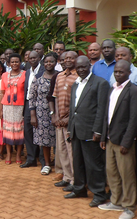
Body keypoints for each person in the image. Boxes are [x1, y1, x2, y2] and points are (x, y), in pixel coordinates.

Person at [97, 60, 137, 219]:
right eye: (115, 72)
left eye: (121, 72)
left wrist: (127, 142)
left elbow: (134, 119)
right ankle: (115, 201)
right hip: (110, 139)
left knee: (127, 174)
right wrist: (103, 136)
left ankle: (129, 206)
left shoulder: (134, 91)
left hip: (123, 142)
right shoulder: (112, 90)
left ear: (129, 72)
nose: (117, 74)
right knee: (112, 173)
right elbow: (106, 115)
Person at [64, 56, 110, 208]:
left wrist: (98, 131)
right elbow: (73, 109)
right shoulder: (76, 84)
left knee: (94, 164)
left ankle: (99, 193)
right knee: (78, 163)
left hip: (91, 131)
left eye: (84, 67)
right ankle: (79, 189)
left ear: (90, 66)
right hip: (77, 130)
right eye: (79, 68)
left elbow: (102, 109)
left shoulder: (100, 83)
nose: (81, 70)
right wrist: (70, 129)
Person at [113, 47, 137, 201]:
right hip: (117, 129)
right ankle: (121, 193)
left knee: (133, 165)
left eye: (123, 54)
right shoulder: (115, 73)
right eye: (117, 55)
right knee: (120, 166)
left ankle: (135, 194)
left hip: (133, 128)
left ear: (130, 56)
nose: (120, 57)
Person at [51, 51, 78, 184]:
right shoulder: (59, 76)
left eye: (71, 58)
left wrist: (68, 119)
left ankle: (75, 179)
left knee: (71, 152)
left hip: (71, 121)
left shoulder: (79, 77)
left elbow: (79, 102)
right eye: (66, 58)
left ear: (76, 60)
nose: (68, 60)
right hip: (59, 121)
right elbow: (55, 98)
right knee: (61, 151)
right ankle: (67, 177)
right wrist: (56, 116)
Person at [28, 52, 58, 175]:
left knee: (58, 139)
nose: (48, 64)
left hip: (59, 112)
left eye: (51, 61)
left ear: (56, 62)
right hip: (41, 114)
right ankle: (46, 164)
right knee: (45, 141)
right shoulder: (38, 78)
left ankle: (59, 164)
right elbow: (32, 97)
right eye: (46, 62)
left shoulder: (60, 76)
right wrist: (33, 115)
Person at [20, 51, 45, 169]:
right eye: (30, 58)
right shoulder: (27, 71)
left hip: (40, 105)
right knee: (28, 132)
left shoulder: (44, 70)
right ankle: (31, 158)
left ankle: (43, 160)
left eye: (35, 58)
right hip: (28, 104)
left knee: (41, 131)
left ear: (39, 58)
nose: (32, 60)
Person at [1, 53, 26, 164]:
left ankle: (18, 156)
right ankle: (9, 155)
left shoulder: (25, 74)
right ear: (9, 63)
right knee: (8, 131)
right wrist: (1, 109)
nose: (14, 63)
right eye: (12, 62)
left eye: (16, 61)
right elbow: (3, 92)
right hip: (7, 106)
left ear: (20, 63)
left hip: (20, 106)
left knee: (19, 130)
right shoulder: (4, 75)